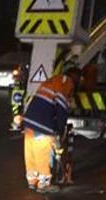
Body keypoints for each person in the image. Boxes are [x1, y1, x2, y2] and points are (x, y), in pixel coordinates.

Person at [22, 65, 81, 193]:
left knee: (31, 152)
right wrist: (60, 129)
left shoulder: (54, 80)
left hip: (30, 119)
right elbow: (61, 107)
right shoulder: (66, 82)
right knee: (42, 153)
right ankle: (44, 184)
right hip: (43, 122)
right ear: (75, 77)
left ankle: (32, 181)